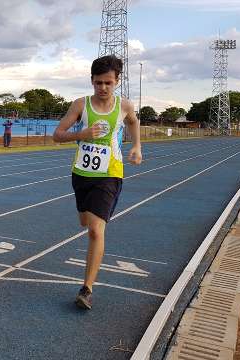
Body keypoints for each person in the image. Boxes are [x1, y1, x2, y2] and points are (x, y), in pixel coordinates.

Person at [52, 55, 142, 310]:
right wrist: (81, 134)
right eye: (98, 83)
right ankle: (87, 283)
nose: (103, 88)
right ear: (91, 81)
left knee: (95, 229)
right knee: (84, 221)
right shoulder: (80, 105)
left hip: (110, 173)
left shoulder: (124, 106)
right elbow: (57, 135)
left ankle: (86, 289)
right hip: (82, 173)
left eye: (108, 83)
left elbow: (134, 123)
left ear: (117, 82)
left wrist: (136, 146)